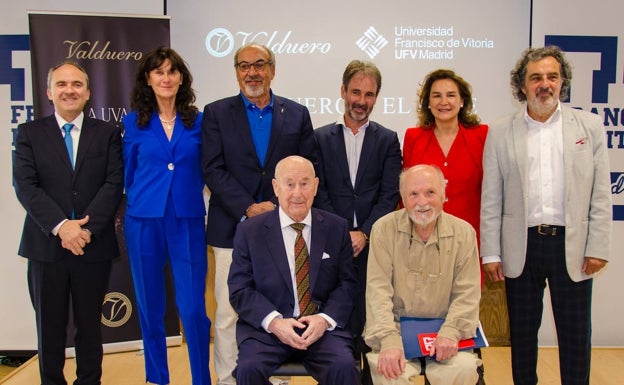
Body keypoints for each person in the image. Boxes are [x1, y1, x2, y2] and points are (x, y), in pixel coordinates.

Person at [480, 46, 611, 385]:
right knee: (522, 336)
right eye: (535, 77)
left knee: (576, 333)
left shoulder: (590, 126)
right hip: (521, 247)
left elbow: (600, 193)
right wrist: (491, 252)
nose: (544, 84)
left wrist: (597, 246)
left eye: (552, 76)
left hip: (573, 245)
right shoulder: (500, 130)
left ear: (562, 81)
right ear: (521, 86)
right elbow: (492, 196)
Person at [202, 43, 318, 385]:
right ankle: (227, 379)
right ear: (236, 71)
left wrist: (279, 207)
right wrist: (249, 207)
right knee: (227, 311)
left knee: (277, 307)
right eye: (244, 66)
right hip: (230, 228)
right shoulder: (216, 112)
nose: (252, 72)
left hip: (282, 229)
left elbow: (307, 170)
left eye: (260, 65)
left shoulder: (296, 114)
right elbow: (212, 168)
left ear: (272, 69)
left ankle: (275, 379)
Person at [12, 61, 123, 385]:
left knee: (90, 326)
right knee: (49, 327)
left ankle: (89, 381)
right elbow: (25, 185)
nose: (69, 90)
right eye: (61, 84)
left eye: (77, 84)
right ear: (49, 92)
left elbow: (114, 183)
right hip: (46, 247)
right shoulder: (30, 133)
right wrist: (63, 227)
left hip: (93, 245)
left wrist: (85, 230)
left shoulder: (108, 133)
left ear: (88, 93)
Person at [228, 155, 360, 385]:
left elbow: (347, 284)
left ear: (316, 186)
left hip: (321, 328)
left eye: (305, 183)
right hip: (269, 330)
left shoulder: (336, 227)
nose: (297, 193)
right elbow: (240, 290)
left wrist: (324, 319)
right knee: (248, 370)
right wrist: (275, 322)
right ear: (276, 187)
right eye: (289, 184)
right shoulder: (250, 231)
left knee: (344, 367)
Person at [122, 46, 211, 385]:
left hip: (186, 220)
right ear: (148, 78)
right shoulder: (133, 122)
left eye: (172, 71)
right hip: (144, 222)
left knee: (192, 310)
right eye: (158, 71)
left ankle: (201, 379)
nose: (166, 77)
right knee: (151, 309)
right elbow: (128, 174)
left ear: (181, 78)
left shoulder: (198, 121)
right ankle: (157, 378)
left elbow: (204, 168)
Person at [313, 59, 402, 384]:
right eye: (355, 92)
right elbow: (316, 190)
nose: (361, 101)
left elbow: (389, 193)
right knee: (338, 317)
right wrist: (342, 233)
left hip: (374, 244)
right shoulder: (320, 138)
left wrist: (363, 232)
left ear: (376, 97)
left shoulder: (388, 139)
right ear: (343, 91)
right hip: (330, 245)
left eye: (369, 94)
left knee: (371, 316)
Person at [364, 165, 482, 385]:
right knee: (390, 375)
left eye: (430, 192)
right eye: (413, 194)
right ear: (402, 198)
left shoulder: (464, 233)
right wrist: (388, 339)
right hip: (396, 331)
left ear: (444, 195)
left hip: (445, 332)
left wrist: (451, 331)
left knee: (464, 370)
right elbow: (377, 291)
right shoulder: (383, 229)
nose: (422, 202)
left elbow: (467, 293)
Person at [402, 69, 487, 253]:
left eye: (451, 95)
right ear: (428, 103)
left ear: (462, 101)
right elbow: (406, 193)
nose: (444, 102)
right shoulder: (413, 137)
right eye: (436, 96)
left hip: (471, 240)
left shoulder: (482, 135)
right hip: (423, 240)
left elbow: (491, 193)